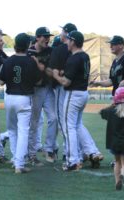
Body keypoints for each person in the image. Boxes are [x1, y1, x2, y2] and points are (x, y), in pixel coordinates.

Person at [52, 31, 103, 171]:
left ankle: (73, 161)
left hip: (73, 94)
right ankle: (92, 152)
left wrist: (56, 75)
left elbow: (66, 82)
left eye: (68, 40)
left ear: (73, 41)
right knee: (77, 125)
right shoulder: (85, 56)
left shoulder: (73, 58)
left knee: (69, 128)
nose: (66, 42)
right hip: (83, 93)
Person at [90, 35, 124, 164]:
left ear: (121, 45)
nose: (110, 46)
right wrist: (98, 84)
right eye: (110, 44)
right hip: (119, 95)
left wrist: (122, 84)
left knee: (123, 124)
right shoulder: (115, 62)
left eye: (113, 44)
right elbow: (112, 81)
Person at [0, 33, 43, 173]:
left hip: (9, 98)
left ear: (15, 46)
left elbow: (1, 81)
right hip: (24, 99)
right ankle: (19, 164)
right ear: (27, 46)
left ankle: (15, 160)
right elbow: (39, 82)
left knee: (12, 130)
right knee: (23, 131)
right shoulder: (31, 61)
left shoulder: (8, 61)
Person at [27, 27, 58, 165]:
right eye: (44, 36)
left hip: (48, 88)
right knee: (34, 122)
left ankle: (49, 148)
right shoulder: (28, 52)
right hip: (34, 91)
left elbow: (49, 68)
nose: (47, 39)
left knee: (53, 118)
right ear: (37, 37)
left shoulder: (50, 51)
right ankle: (31, 153)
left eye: (48, 36)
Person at [48, 23, 78, 161]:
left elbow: (53, 70)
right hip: (75, 89)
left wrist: (56, 74)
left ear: (66, 33)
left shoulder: (60, 49)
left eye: (62, 31)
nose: (61, 33)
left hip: (62, 87)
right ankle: (76, 151)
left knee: (62, 120)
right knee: (74, 122)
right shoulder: (78, 51)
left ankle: (68, 152)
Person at [100, 87, 124, 190]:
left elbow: (101, 112)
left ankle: (117, 182)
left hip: (113, 143)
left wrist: (111, 106)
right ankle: (122, 175)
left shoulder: (111, 112)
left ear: (115, 99)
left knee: (117, 162)